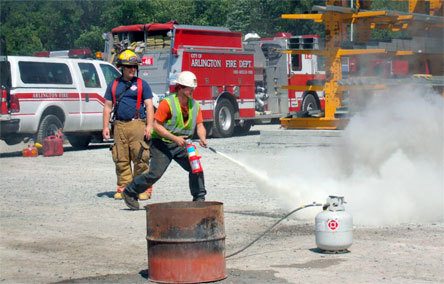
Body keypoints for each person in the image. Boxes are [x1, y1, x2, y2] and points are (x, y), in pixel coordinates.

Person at [122, 71, 207, 210]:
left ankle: (199, 198)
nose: (192, 91)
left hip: (182, 144)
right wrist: (174, 138)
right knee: (155, 174)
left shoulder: (195, 106)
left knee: (196, 168)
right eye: (189, 88)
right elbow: (156, 125)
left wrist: (202, 137)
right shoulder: (167, 103)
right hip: (162, 143)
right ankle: (130, 192)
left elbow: (200, 125)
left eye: (193, 89)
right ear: (179, 87)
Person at [102, 50, 154, 200]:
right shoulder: (113, 85)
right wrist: (105, 127)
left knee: (141, 159)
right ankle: (124, 187)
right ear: (122, 68)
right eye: (129, 66)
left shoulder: (142, 84)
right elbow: (107, 106)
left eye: (134, 66)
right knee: (121, 158)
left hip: (137, 124)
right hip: (119, 126)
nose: (132, 69)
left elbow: (149, 105)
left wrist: (149, 126)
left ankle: (142, 189)